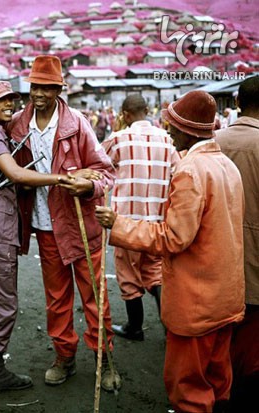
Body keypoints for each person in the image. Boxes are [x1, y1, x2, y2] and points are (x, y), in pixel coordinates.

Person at [96, 90, 245, 413]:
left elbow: (174, 238)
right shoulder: (225, 165)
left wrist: (117, 224)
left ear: (188, 130)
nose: (169, 131)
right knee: (219, 382)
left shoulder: (192, 170)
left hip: (197, 302)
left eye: (173, 127)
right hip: (225, 297)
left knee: (188, 387)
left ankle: (134, 326)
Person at [0, 80, 75, 413]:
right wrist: (59, 178)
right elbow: (15, 174)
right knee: (2, 307)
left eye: (12, 99)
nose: (10, 104)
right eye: (2, 100)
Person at [7, 55, 119, 390]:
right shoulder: (17, 124)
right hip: (43, 226)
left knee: (94, 297)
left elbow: (105, 172)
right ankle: (64, 356)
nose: (38, 93)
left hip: (79, 222)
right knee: (56, 298)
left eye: (46, 87)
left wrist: (87, 185)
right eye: (34, 86)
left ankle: (106, 359)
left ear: (59, 89)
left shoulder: (77, 124)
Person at [101, 94, 180, 341]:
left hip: (125, 223)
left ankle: (135, 327)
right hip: (157, 223)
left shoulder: (117, 139)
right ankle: (170, 330)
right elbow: (179, 175)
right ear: (147, 110)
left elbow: (98, 165)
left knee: (128, 275)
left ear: (124, 115)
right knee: (156, 273)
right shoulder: (168, 141)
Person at [214, 75, 259, 412]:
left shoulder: (212, 142)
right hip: (254, 261)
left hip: (215, 258)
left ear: (238, 104)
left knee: (220, 339)